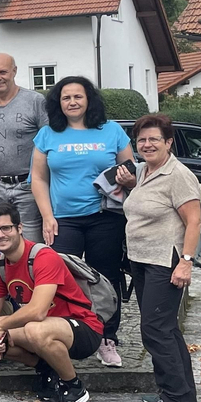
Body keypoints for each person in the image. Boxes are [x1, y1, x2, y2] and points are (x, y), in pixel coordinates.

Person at [30, 75, 133, 367]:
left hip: (105, 217)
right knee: (63, 278)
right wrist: (47, 216)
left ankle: (106, 338)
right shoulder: (48, 134)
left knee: (107, 277)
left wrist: (128, 177)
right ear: (58, 103)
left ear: (89, 99)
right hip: (63, 220)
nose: (72, 102)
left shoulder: (111, 131)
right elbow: (38, 178)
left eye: (78, 96)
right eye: (66, 98)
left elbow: (131, 170)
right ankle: (70, 333)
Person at [0, 202, 104, 402]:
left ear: (19, 228)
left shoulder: (43, 256)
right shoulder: (0, 266)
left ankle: (74, 387)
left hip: (82, 327)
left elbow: (38, 311)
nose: (0, 234)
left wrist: (3, 325)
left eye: (6, 228)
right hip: (44, 329)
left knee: (34, 328)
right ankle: (46, 369)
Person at [115, 114, 201, 402]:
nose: (147, 144)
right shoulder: (146, 172)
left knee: (155, 329)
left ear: (168, 142)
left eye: (154, 139)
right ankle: (181, 394)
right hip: (142, 260)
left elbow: (194, 220)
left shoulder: (177, 174)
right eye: (142, 140)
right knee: (166, 329)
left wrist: (186, 263)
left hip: (166, 262)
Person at [0, 54, 48, 241]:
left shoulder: (35, 101)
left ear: (14, 71)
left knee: (31, 243)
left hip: (28, 186)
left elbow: (48, 145)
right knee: (1, 241)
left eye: (3, 72)